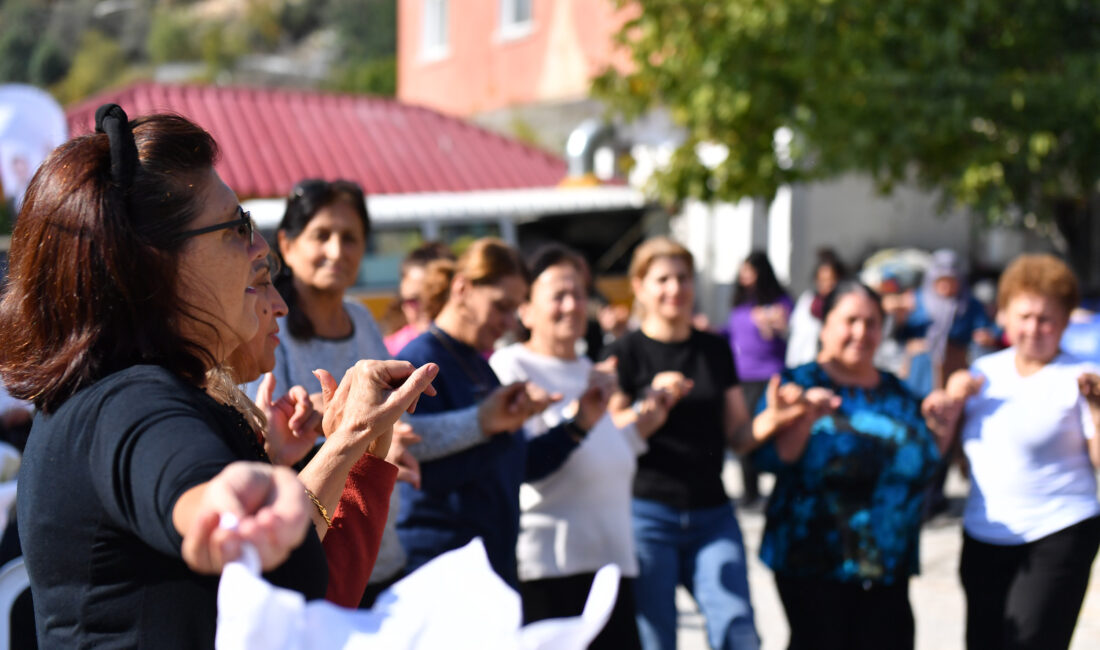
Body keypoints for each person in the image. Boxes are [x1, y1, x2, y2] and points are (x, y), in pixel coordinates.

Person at [0, 105, 431, 647]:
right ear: (155, 264)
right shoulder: (127, 398)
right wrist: (226, 497)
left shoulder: (119, 389)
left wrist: (316, 456)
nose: (261, 248)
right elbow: (179, 473)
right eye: (237, 227)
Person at [251, 181, 543, 607]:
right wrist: (332, 428)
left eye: (350, 238)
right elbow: (265, 442)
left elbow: (398, 428)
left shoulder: (362, 319)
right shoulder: (268, 326)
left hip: (377, 551)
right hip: (305, 554)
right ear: (287, 244)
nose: (337, 250)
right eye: (321, 235)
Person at [750, 280, 960, 650]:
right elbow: (765, 459)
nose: (861, 332)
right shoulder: (795, 384)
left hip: (887, 566)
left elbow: (922, 467)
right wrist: (801, 419)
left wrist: (941, 430)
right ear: (826, 325)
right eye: (850, 321)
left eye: (872, 322)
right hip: (812, 563)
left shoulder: (899, 393)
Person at [396, 238, 608, 587]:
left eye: (514, 309)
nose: (509, 322)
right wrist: (487, 425)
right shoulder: (420, 361)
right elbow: (412, 457)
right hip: (443, 569)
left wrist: (579, 424)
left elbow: (515, 463)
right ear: (462, 288)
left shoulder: (479, 367)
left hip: (491, 564)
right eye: (501, 307)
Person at [490, 245, 669, 648]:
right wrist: (581, 421)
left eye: (579, 294)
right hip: (550, 570)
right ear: (527, 309)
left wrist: (641, 428)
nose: (572, 306)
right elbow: (524, 463)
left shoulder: (593, 371)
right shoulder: (511, 368)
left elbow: (602, 454)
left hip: (612, 565)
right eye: (558, 295)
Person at [604, 236, 764, 650]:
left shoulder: (714, 348)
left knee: (737, 629)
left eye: (683, 278)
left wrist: (777, 418)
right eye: (663, 279)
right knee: (656, 639)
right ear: (639, 286)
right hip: (646, 514)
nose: (675, 288)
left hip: (712, 513)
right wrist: (648, 404)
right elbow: (609, 432)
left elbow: (739, 435)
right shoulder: (626, 352)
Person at [946, 254, 1100, 650]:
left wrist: (1098, 409)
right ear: (1004, 317)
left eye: (1046, 318)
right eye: (1025, 316)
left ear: (1065, 322)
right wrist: (949, 408)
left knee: (1030, 642)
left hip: (1058, 528)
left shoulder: (1081, 378)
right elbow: (960, 458)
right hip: (985, 531)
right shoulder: (983, 375)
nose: (1034, 328)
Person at [725, 250, 793, 507]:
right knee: (743, 432)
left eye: (750, 271)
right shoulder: (740, 303)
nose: (745, 276)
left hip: (770, 377)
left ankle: (780, 490)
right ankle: (749, 490)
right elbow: (729, 333)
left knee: (774, 432)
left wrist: (772, 321)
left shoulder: (779, 302)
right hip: (742, 377)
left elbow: (786, 327)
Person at [384, 241, 455, 356]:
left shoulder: (478, 352)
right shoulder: (387, 353)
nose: (425, 308)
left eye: (435, 297)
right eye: (413, 300)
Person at [786, 248, 846, 368]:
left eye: (831, 280)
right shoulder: (807, 302)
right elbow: (796, 336)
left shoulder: (845, 306)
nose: (827, 285)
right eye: (823, 280)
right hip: (804, 364)